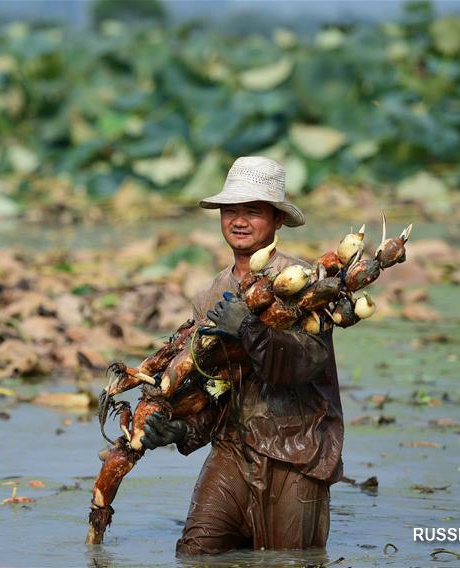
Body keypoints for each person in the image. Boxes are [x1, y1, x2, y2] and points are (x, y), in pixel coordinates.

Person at [140, 156, 344, 555]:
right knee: (195, 554)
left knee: (291, 561)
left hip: (297, 451)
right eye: (231, 210)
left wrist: (250, 330)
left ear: (277, 220)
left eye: (253, 211)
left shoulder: (306, 282)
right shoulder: (210, 296)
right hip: (232, 449)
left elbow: (305, 364)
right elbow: (213, 386)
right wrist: (183, 429)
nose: (239, 220)